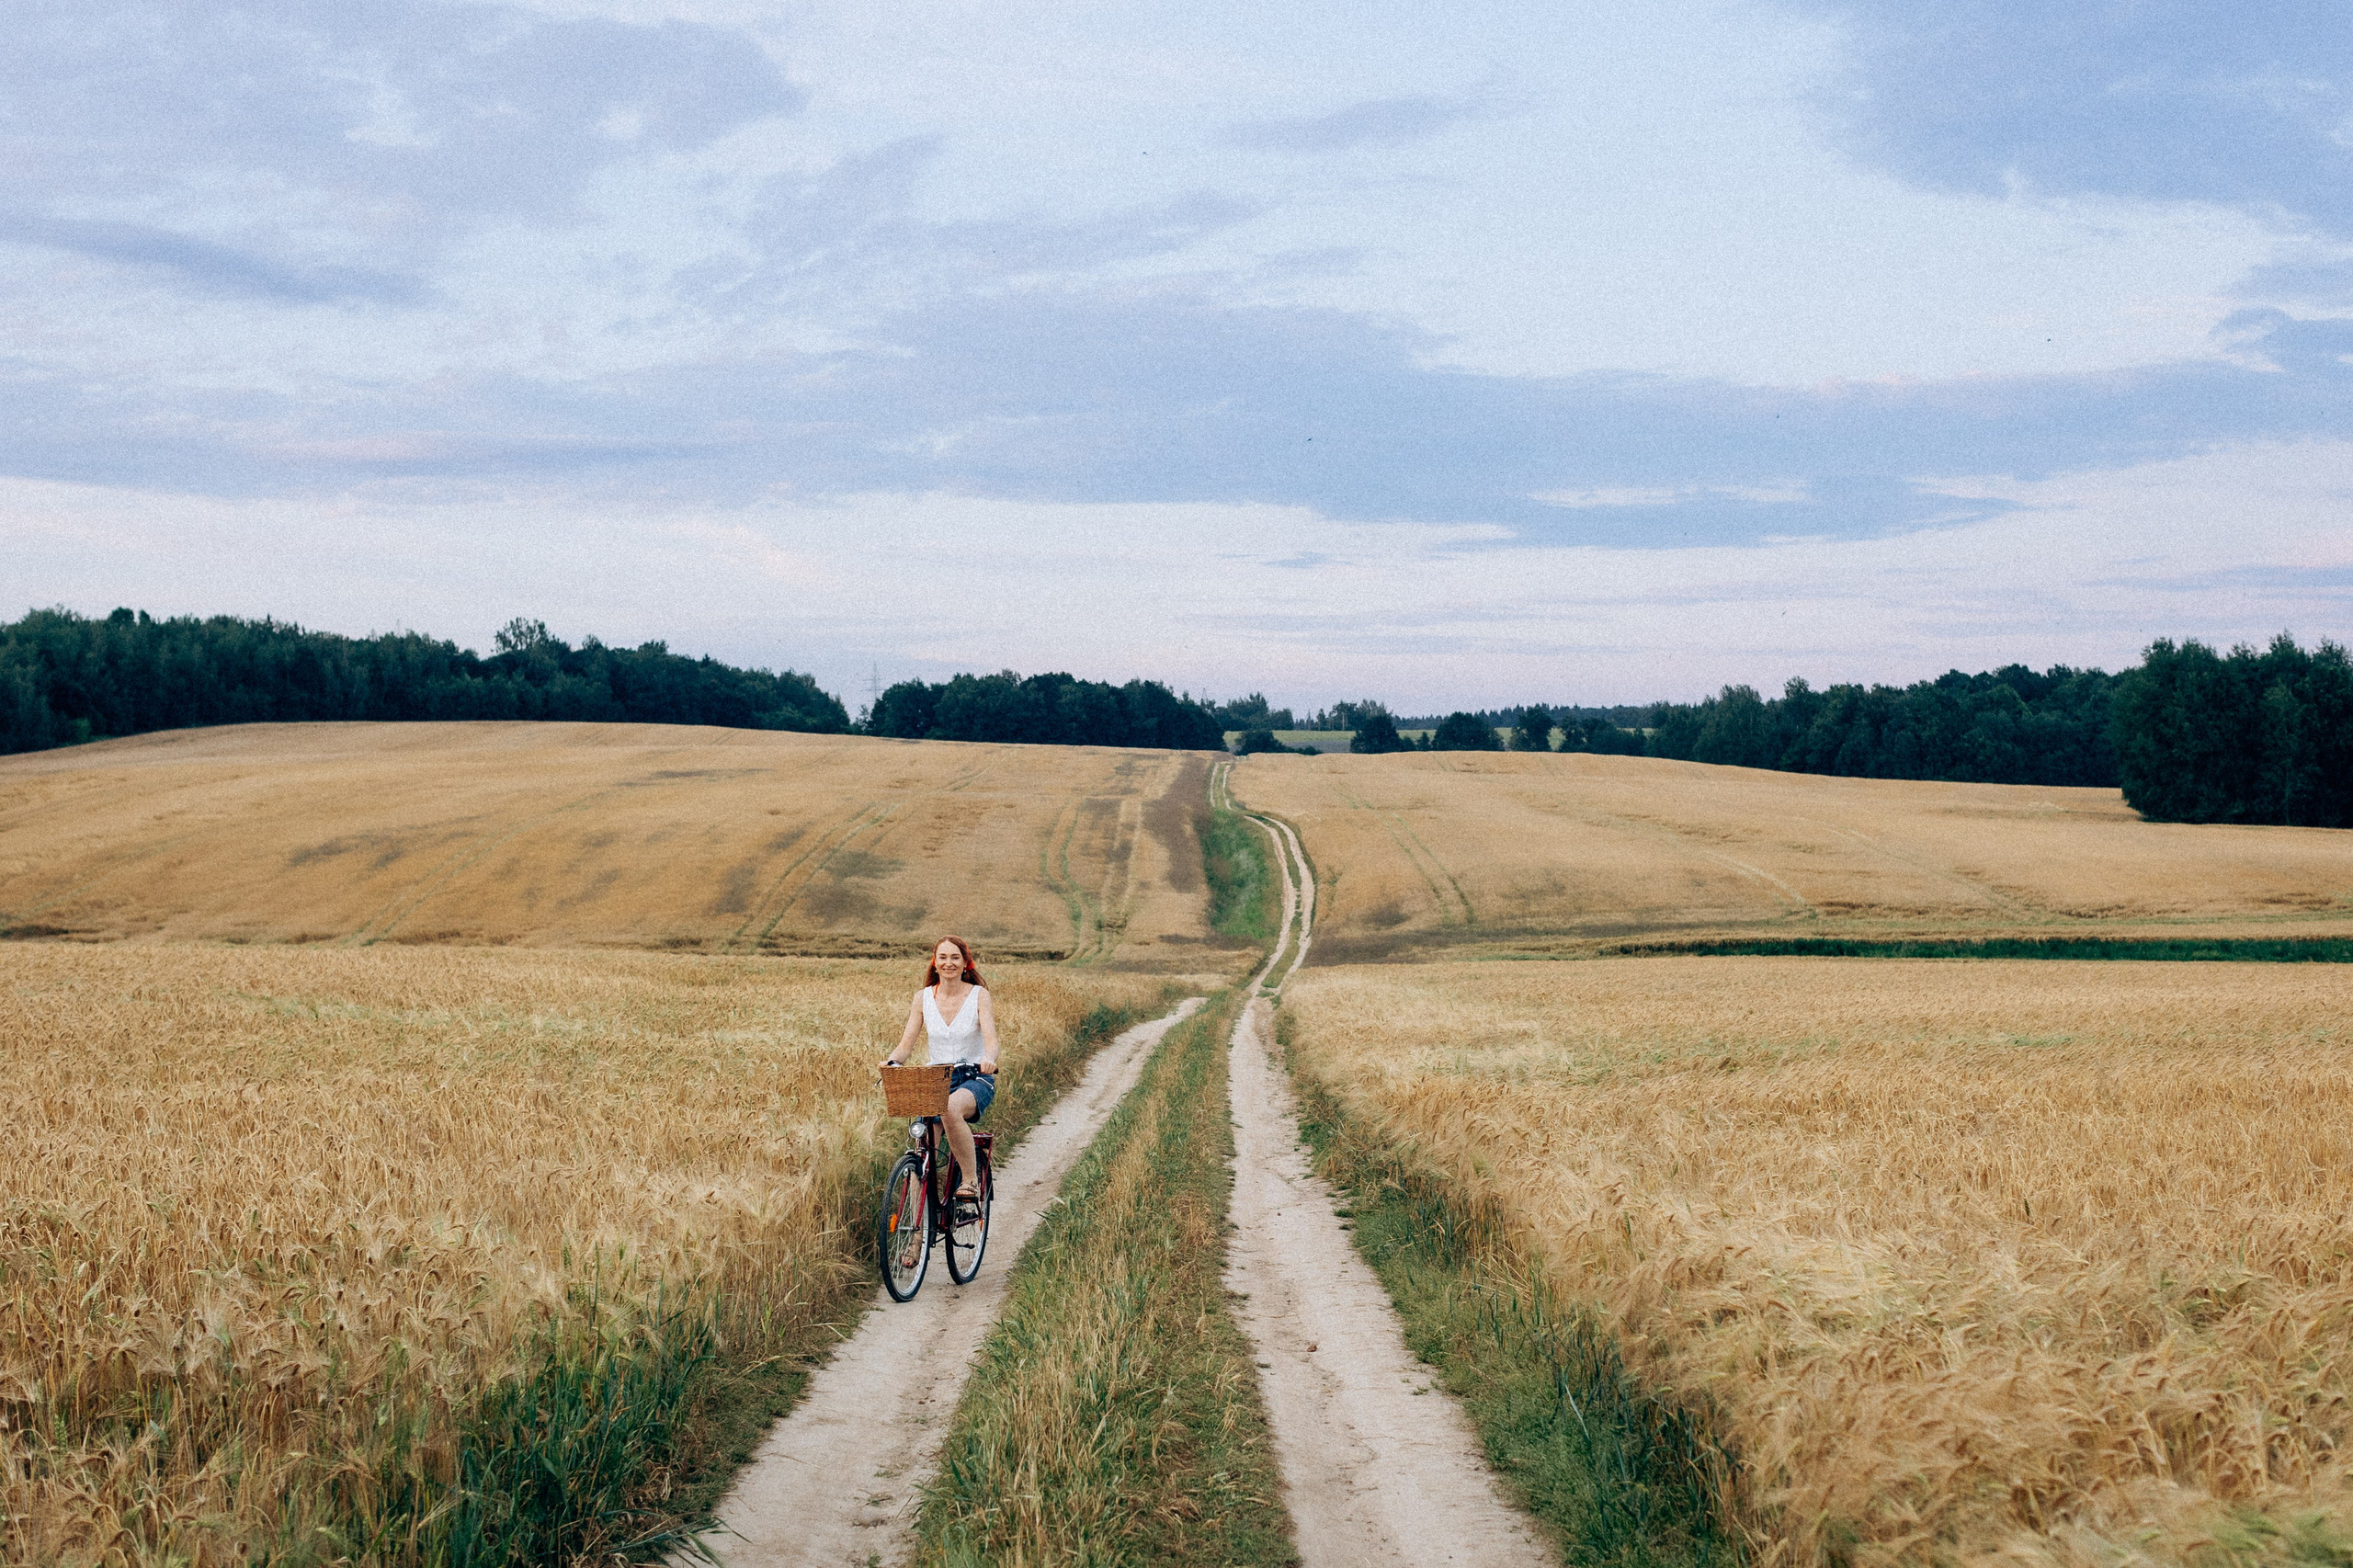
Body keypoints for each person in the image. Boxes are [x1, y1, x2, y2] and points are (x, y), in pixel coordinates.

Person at [881, 935, 1000, 1199]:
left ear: (966, 963)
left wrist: (989, 1059)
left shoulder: (979, 996)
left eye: (955, 957)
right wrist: (893, 1062)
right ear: (934, 963)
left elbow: (992, 1043)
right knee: (921, 1152)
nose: (949, 963)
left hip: (974, 1077)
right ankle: (916, 1236)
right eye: (943, 957)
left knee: (950, 1108)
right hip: (936, 1079)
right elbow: (906, 1044)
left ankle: (970, 1180)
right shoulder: (922, 998)